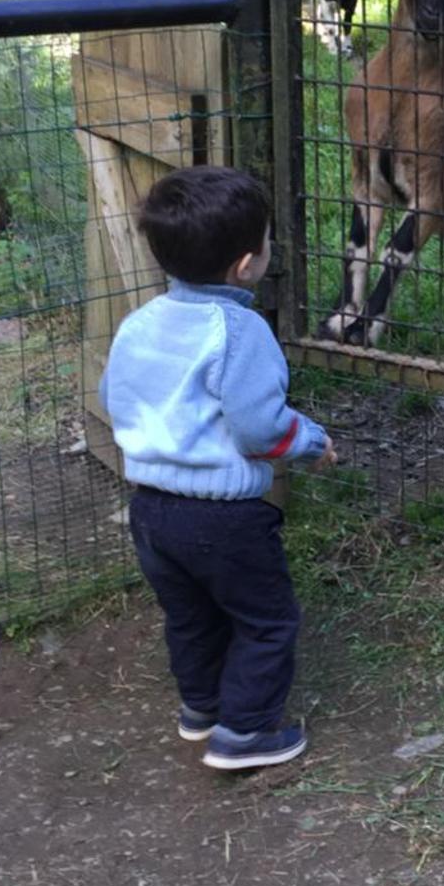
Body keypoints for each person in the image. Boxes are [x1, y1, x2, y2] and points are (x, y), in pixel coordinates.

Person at [99, 165, 335, 770]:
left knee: (190, 616)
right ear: (246, 265)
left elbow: (112, 397)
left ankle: (201, 708)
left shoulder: (140, 323)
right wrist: (312, 442)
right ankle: (246, 733)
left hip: (150, 510)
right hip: (224, 518)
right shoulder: (239, 330)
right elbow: (259, 428)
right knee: (267, 621)